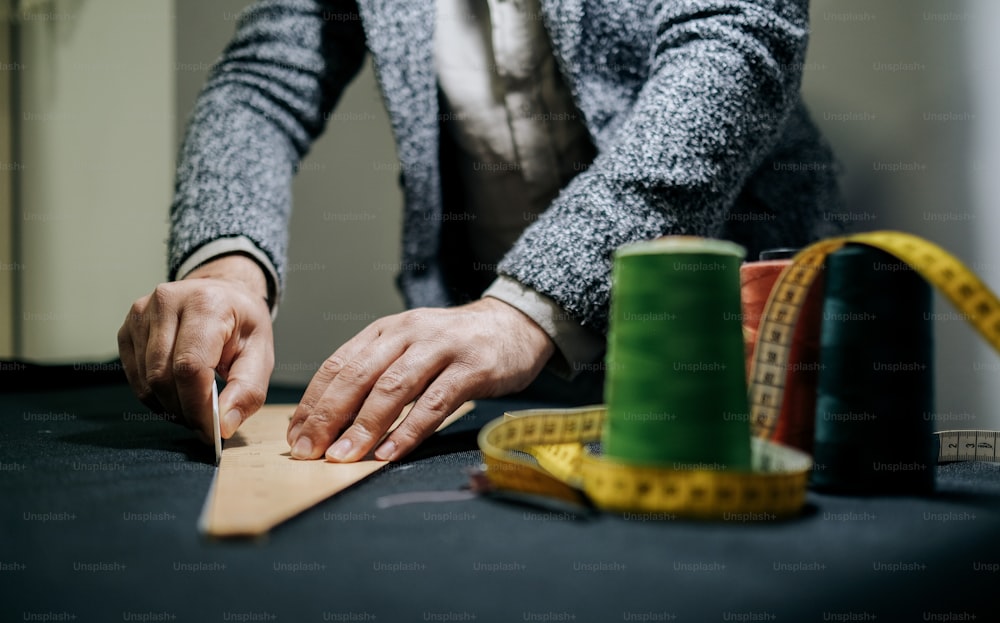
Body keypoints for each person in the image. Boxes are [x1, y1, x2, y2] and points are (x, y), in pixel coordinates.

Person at [118, 0, 840, 464]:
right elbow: (263, 84)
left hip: (736, 342)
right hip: (499, 389)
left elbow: (738, 39)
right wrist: (225, 267)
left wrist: (527, 309)